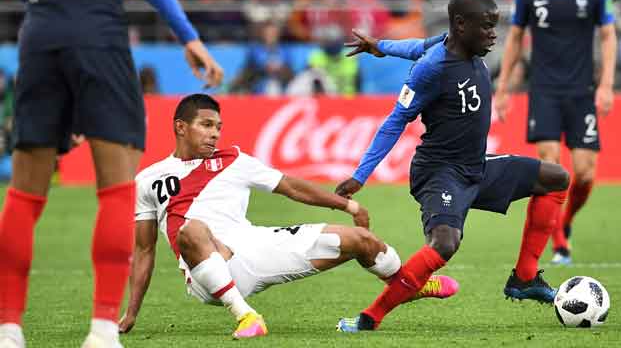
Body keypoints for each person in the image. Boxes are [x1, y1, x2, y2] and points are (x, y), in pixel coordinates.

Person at [0, 0, 224, 348]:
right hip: (98, 40)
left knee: (24, 197)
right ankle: (103, 330)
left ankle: (8, 329)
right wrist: (188, 36)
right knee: (118, 190)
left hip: (38, 42)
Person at [118, 94, 459, 339]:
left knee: (362, 241)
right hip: (207, 269)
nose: (215, 133)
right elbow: (145, 250)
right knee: (192, 230)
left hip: (253, 247)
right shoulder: (149, 179)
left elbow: (290, 187)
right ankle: (246, 316)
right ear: (180, 127)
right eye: (206, 125)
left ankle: (407, 284)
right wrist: (131, 312)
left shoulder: (234, 160)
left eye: (218, 127)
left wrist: (348, 206)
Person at [333, 0, 570, 333]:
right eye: (486, 27)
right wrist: (360, 175)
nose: (493, 35)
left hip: (476, 166)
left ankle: (525, 278)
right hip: (439, 173)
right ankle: (370, 318)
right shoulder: (431, 69)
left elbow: (415, 45)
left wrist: (380, 46)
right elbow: (395, 121)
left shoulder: (449, 43)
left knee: (556, 178)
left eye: (495, 27)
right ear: (461, 25)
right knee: (445, 243)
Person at [494, 0, 617, 266]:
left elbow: (608, 36)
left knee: (586, 171)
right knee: (551, 168)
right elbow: (516, 38)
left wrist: (606, 85)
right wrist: (503, 88)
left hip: (581, 92)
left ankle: (566, 221)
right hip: (544, 90)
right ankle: (559, 242)